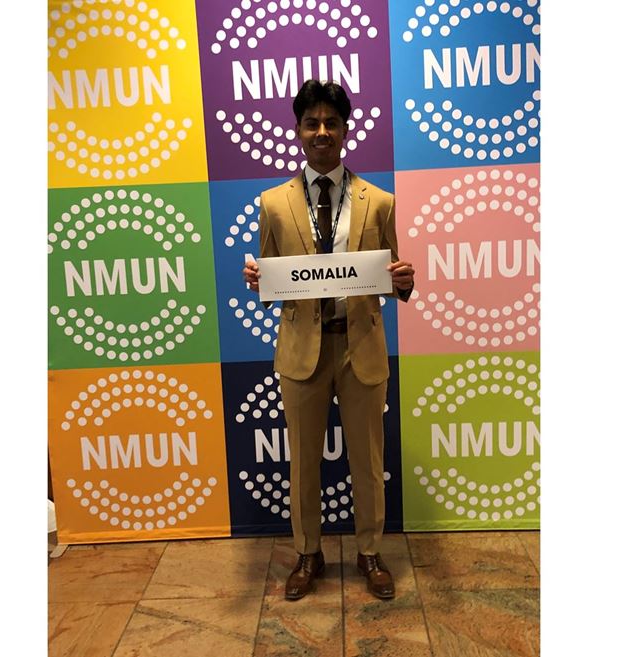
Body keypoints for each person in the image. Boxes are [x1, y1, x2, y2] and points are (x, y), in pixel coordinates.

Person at [242, 80, 415, 600]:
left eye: (331, 122)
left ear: (345, 130)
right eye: (311, 122)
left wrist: (404, 283)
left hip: (360, 347)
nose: (321, 132)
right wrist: (259, 281)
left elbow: (392, 275)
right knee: (304, 462)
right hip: (301, 352)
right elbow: (275, 280)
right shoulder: (271, 204)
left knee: (367, 459)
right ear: (298, 131)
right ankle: (308, 554)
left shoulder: (378, 201)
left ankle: (369, 552)